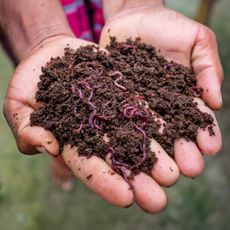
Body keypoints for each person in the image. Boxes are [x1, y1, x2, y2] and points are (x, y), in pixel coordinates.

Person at [0, 0, 223, 213]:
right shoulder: (65, 78)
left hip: (108, 27)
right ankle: (60, 166)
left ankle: (61, 166)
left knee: (60, 133)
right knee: (57, 132)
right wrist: (40, 35)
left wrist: (137, 4)